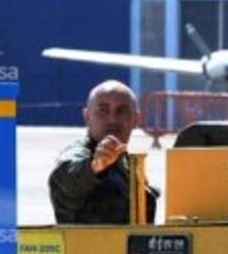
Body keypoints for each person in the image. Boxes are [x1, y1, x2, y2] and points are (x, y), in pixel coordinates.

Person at [49, 80, 159, 224]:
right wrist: (94, 167)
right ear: (87, 116)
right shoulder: (79, 154)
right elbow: (69, 179)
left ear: (136, 119)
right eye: (103, 110)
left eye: (122, 111)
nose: (112, 119)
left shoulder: (126, 163)